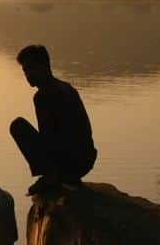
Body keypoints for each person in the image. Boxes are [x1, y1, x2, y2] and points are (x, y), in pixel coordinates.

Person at [10, 44, 97, 195]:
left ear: (44, 66)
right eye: (25, 71)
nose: (28, 75)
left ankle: (52, 176)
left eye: (31, 69)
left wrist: (52, 171)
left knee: (18, 126)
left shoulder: (46, 95)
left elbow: (49, 137)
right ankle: (55, 174)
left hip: (71, 162)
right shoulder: (65, 87)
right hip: (85, 161)